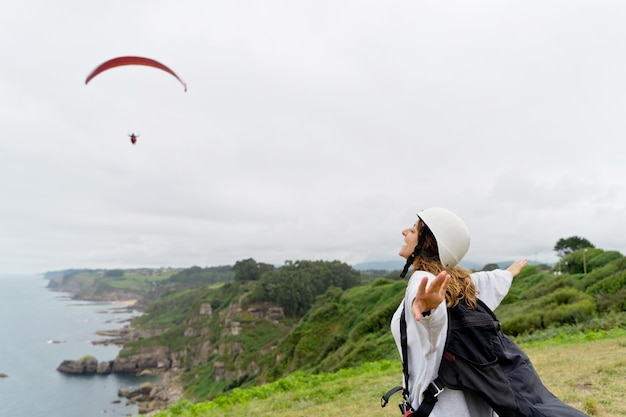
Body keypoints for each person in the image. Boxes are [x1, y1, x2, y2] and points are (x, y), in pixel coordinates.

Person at [383, 207, 589, 417]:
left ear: (428, 242)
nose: (404, 232)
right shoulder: (460, 284)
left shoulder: (421, 281)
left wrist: (428, 310)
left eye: (414, 229)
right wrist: (507, 274)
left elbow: (432, 328)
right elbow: (486, 282)